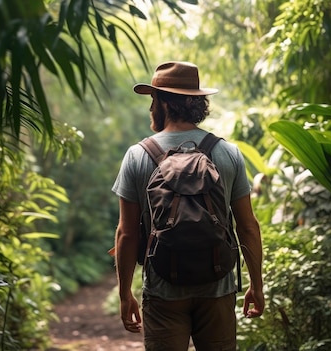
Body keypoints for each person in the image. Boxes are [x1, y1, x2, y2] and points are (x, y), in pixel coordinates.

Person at [111, 61, 264, 351]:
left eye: (153, 99)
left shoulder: (137, 156)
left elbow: (126, 233)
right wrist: (256, 285)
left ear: (164, 103)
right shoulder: (228, 153)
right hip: (218, 286)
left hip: (162, 289)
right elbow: (247, 226)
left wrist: (124, 294)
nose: (150, 107)